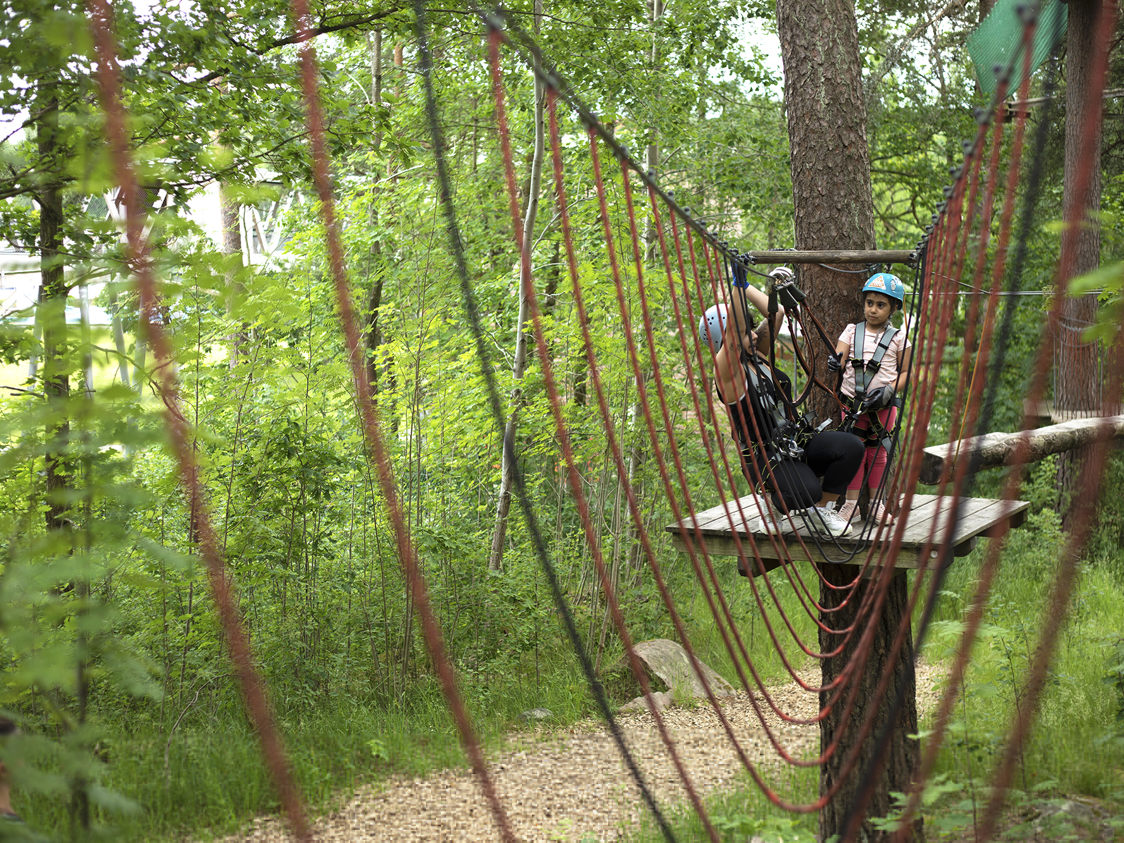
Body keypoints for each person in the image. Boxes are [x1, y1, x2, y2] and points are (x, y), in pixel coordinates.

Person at [702, 265, 864, 539]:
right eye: (746, 333)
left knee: (851, 447)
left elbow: (773, 313)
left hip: (793, 445)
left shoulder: (759, 356)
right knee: (806, 490)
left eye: (752, 331)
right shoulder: (728, 374)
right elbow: (735, 331)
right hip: (765, 459)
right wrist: (736, 285)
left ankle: (820, 510)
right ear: (725, 339)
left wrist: (752, 285)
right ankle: (773, 501)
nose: (754, 336)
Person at [829, 272, 913, 525]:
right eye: (869, 303)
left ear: (893, 308)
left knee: (877, 454)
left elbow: (909, 372)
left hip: (883, 405)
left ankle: (876, 505)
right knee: (853, 453)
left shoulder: (899, 338)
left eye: (880, 305)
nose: (873, 310)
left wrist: (889, 390)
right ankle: (852, 505)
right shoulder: (852, 330)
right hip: (852, 404)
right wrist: (836, 361)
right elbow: (840, 354)